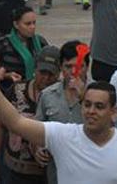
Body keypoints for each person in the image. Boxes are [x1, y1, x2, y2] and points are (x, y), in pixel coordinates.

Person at [0, 67, 117, 184]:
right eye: (87, 105)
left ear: (113, 112)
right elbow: (16, 123)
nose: (91, 111)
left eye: (99, 106)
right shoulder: (62, 135)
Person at [0, 47, 61, 184]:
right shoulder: (16, 90)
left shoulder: (61, 98)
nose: (46, 78)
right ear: (35, 69)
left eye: (51, 74)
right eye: (42, 72)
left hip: (48, 175)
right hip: (13, 171)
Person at [34, 40, 88, 184]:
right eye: (68, 67)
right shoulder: (47, 95)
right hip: (56, 171)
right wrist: (38, 148)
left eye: (79, 67)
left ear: (87, 67)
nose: (73, 72)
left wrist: (84, 97)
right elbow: (37, 129)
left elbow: (108, 127)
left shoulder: (100, 93)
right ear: (60, 68)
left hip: (89, 168)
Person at [0, 6, 50, 93]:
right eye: (28, 24)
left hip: (37, 92)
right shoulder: (2, 45)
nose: (32, 27)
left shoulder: (40, 42)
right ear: (16, 25)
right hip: (10, 93)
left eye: (34, 23)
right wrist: (6, 75)